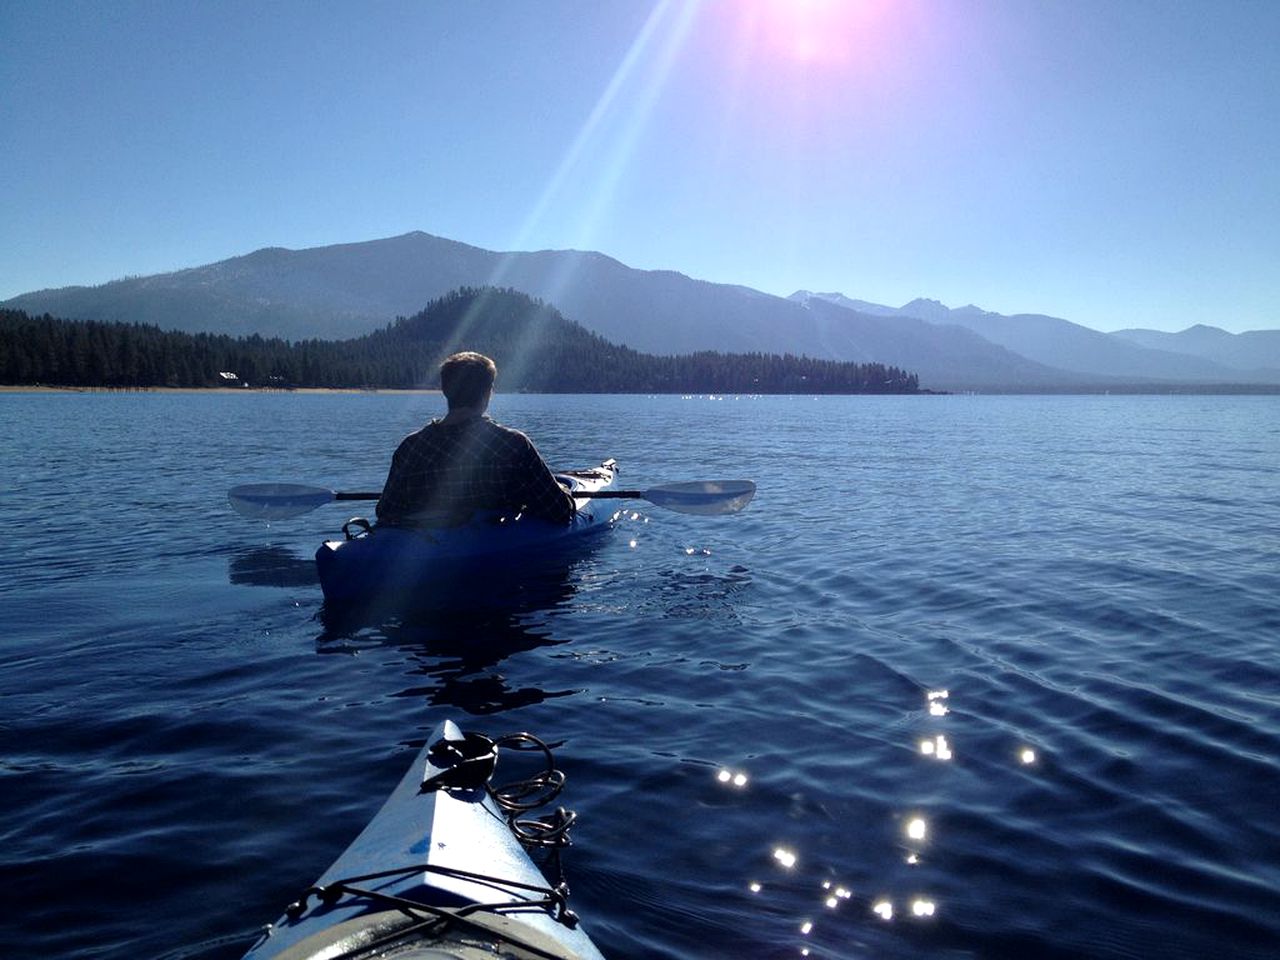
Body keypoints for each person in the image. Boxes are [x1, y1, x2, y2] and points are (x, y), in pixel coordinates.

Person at [375, 351, 576, 527]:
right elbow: (559, 511)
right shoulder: (512, 444)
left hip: (426, 551)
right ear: (488, 393)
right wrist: (563, 489)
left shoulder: (410, 446)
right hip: (492, 551)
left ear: (445, 390)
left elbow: (385, 512)